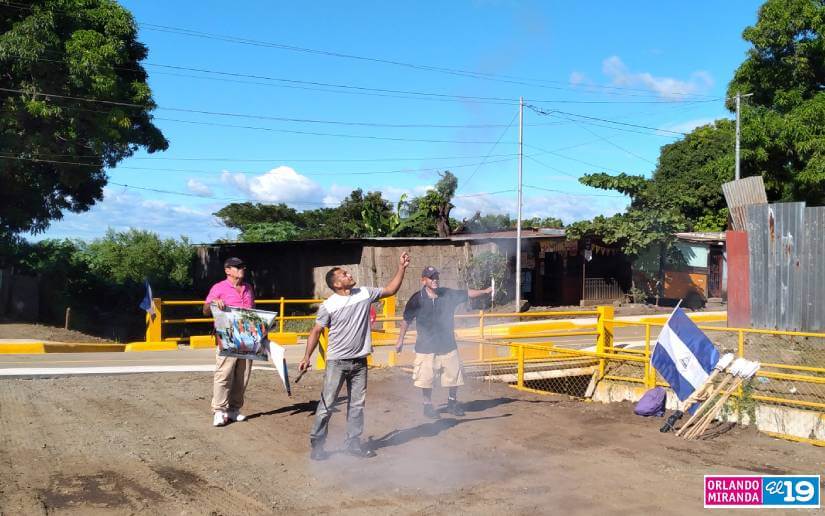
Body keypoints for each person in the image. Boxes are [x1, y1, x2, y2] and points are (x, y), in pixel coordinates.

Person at [299, 252, 411, 460]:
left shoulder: (364, 293)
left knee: (357, 405)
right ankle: (318, 444)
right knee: (327, 404)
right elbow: (315, 331)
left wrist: (402, 267)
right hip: (337, 362)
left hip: (360, 361)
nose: (349, 274)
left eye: (347, 272)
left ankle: (353, 443)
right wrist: (306, 357)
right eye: (344, 274)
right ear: (336, 284)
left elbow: (390, 289)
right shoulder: (328, 306)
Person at [395, 266, 492, 419]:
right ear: (423, 280)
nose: (435, 280)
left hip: (447, 344)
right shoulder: (417, 298)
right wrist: (400, 340)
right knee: (426, 379)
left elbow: (467, 293)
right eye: (431, 277)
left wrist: (485, 291)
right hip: (426, 346)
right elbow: (406, 320)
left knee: (454, 376)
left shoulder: (447, 294)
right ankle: (427, 406)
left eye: (436, 277)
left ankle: (452, 404)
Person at [203, 257, 255, 427]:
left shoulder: (248, 288)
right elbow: (205, 310)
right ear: (227, 270)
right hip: (226, 337)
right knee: (224, 374)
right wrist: (213, 303)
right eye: (237, 267)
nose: (241, 269)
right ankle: (219, 410)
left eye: (242, 266)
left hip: (247, 338)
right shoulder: (218, 288)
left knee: (243, 375)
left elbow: (252, 313)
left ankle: (234, 410)